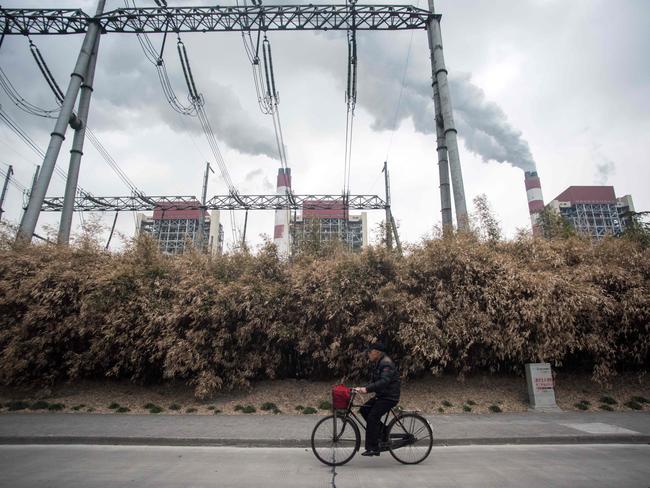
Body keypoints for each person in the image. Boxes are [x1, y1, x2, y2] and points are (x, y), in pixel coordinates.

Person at [353, 342, 401, 457]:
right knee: (364, 410)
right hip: (382, 395)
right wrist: (362, 388)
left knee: (372, 417)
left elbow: (384, 381)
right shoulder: (379, 362)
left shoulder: (386, 364)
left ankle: (373, 447)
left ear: (377, 352)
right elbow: (375, 381)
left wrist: (367, 389)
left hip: (389, 397)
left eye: (370, 351)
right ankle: (383, 432)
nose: (368, 353)